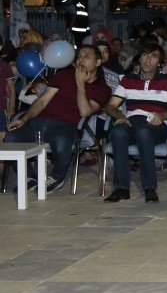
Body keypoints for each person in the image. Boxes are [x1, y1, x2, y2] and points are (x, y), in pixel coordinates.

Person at [4, 45, 111, 193]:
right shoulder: (63, 75)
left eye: (86, 56)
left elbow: (85, 111)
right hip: (38, 122)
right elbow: (42, 101)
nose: (81, 59)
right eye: (79, 56)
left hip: (66, 126)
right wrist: (24, 118)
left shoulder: (103, 89)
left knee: (61, 141)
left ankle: (56, 177)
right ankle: (30, 176)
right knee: (10, 139)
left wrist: (80, 83)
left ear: (98, 62)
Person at [103, 42, 167, 203]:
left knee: (144, 132)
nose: (148, 60)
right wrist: (119, 115)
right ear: (139, 59)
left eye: (153, 56)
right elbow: (110, 106)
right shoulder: (128, 80)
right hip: (132, 122)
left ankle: (149, 188)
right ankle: (121, 188)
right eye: (145, 55)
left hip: (157, 124)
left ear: (159, 63)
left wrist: (164, 115)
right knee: (117, 131)